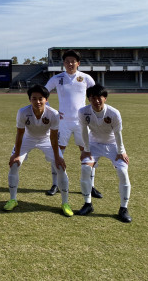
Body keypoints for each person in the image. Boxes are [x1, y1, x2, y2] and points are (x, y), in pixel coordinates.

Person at [3, 85, 73, 217]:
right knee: (14, 164)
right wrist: (16, 154)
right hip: (27, 139)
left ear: (46, 99)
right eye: (34, 98)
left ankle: (65, 203)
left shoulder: (53, 114)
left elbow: (53, 136)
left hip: (46, 139)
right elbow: (19, 134)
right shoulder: (23, 112)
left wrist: (58, 156)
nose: (38, 102)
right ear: (30, 100)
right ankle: (13, 199)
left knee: (60, 167)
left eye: (41, 98)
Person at [44, 49, 100, 198]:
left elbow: (95, 96)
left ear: (78, 63)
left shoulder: (86, 78)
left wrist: (91, 112)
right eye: (67, 61)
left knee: (87, 151)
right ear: (63, 63)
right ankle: (55, 184)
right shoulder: (57, 78)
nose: (70, 64)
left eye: (73, 61)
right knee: (58, 152)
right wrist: (52, 110)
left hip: (81, 122)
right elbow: (44, 92)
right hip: (62, 122)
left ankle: (91, 185)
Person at [76, 84, 132, 223]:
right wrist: (86, 149)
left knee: (123, 172)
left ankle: (123, 208)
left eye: (99, 98)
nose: (96, 101)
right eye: (92, 98)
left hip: (113, 145)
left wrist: (121, 152)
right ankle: (88, 204)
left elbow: (118, 134)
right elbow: (84, 131)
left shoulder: (114, 113)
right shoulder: (83, 112)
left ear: (105, 98)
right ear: (88, 99)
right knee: (85, 168)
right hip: (94, 144)